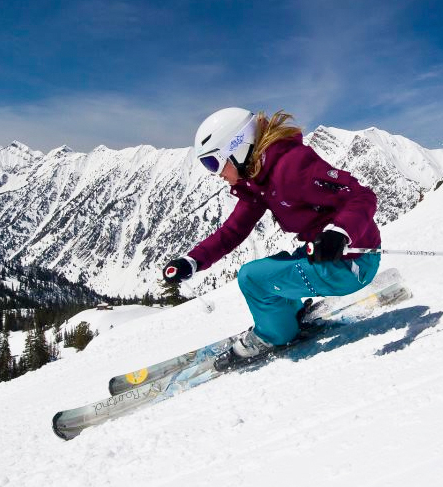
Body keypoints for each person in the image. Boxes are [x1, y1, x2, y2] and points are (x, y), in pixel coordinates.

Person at [162, 107, 382, 368]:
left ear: (237, 148)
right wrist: (192, 261)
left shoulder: (293, 168)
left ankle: (274, 336)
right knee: (275, 266)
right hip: (332, 259)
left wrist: (339, 233)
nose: (216, 173)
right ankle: (288, 317)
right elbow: (233, 230)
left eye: (213, 162)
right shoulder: (259, 180)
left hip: (350, 262)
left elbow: (361, 196)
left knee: (252, 278)